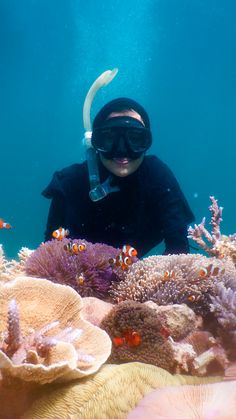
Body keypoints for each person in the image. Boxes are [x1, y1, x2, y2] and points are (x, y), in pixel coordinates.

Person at [42, 98, 195, 257]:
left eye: (135, 139)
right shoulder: (69, 182)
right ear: (95, 142)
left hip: (135, 275)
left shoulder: (158, 177)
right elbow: (49, 253)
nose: (122, 151)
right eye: (109, 139)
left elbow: (179, 249)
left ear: (146, 141)